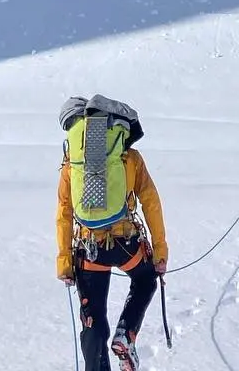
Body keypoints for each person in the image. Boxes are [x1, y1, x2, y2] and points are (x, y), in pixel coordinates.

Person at [57, 95, 168, 371]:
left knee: (93, 321)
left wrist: (64, 261)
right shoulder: (129, 158)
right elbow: (150, 202)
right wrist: (160, 251)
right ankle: (126, 334)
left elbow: (64, 213)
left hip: (88, 249)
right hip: (126, 244)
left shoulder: (72, 167)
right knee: (145, 280)